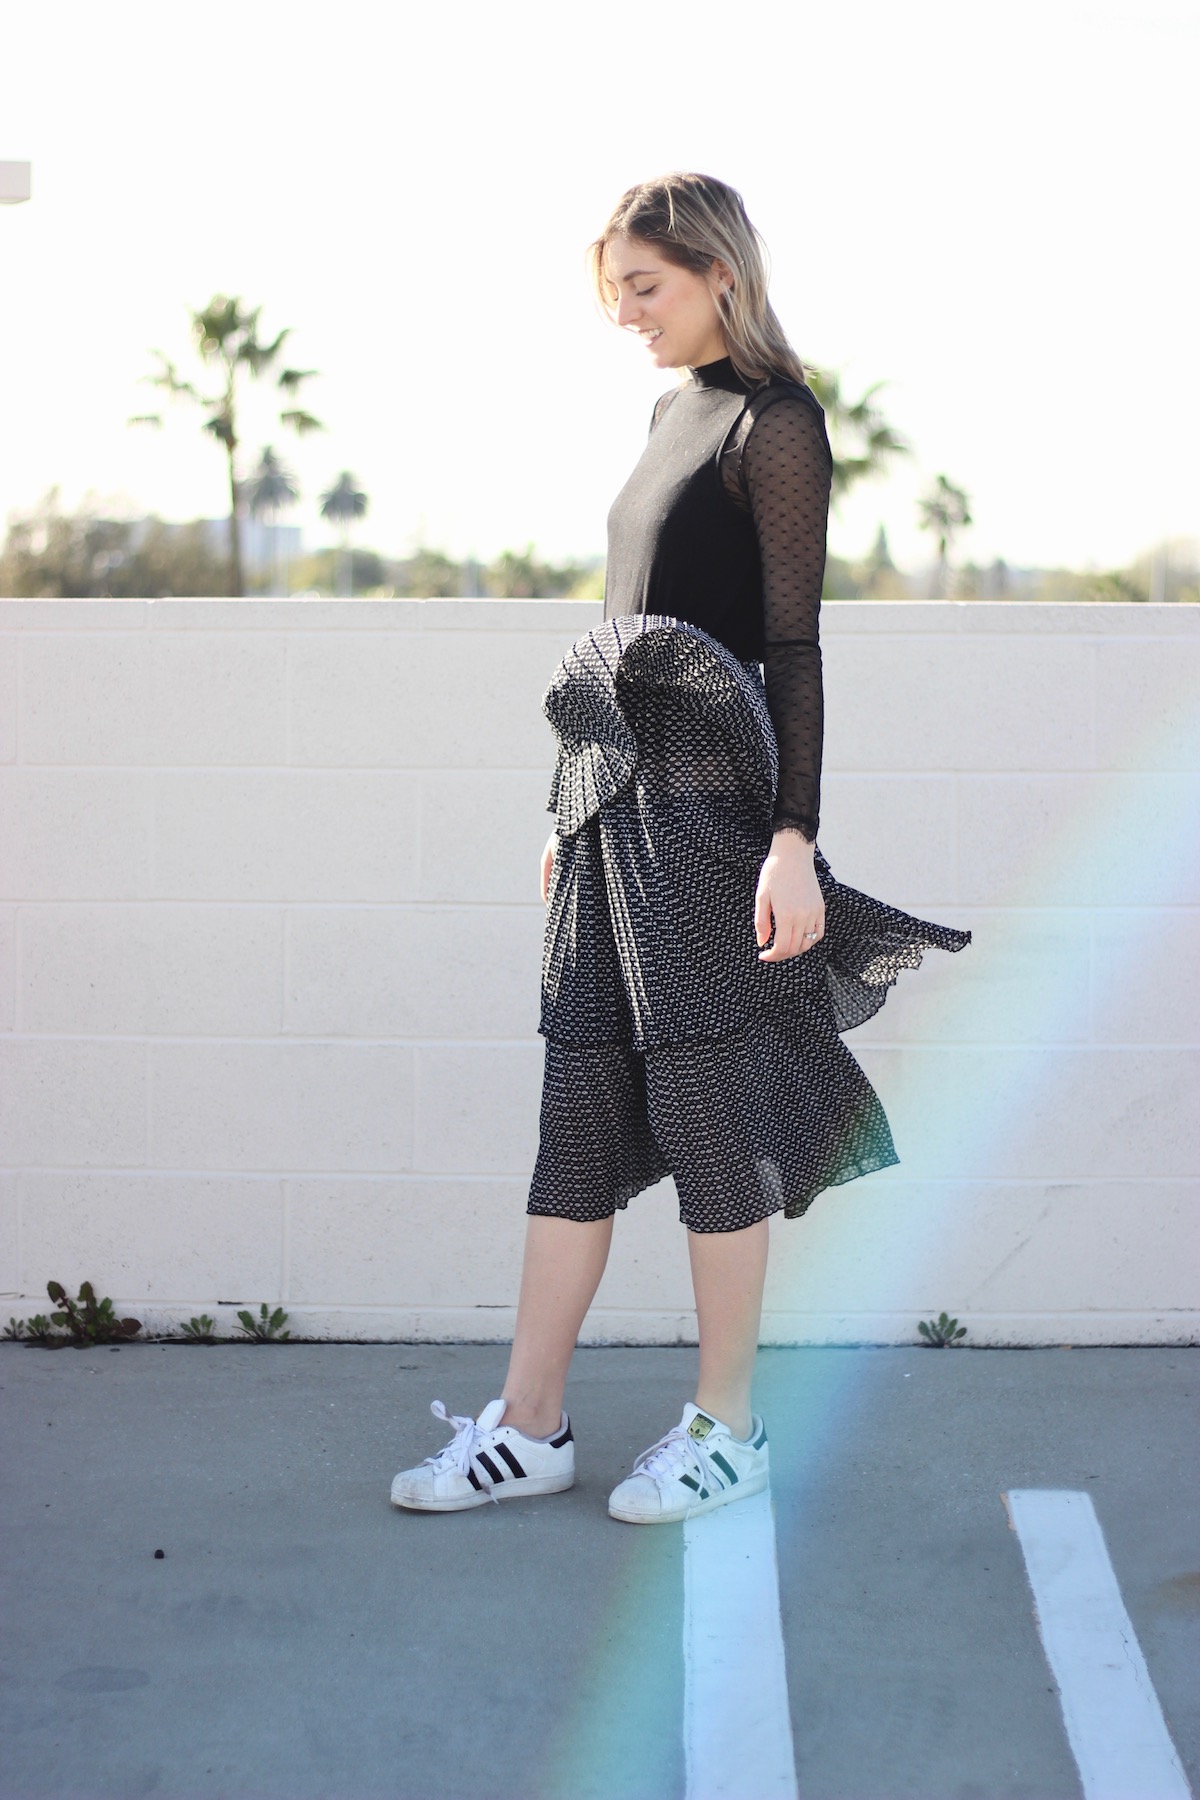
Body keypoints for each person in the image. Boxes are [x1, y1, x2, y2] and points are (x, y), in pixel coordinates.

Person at [390, 172, 970, 1523]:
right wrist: (571, 806)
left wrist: (793, 839)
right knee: (578, 1115)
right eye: (615, 296)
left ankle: (728, 1429)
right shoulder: (668, 415)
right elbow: (623, 633)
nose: (627, 316)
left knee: (712, 1120)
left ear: (719, 271)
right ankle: (529, 1425)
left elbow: (792, 647)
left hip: (714, 824)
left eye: (643, 288)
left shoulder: (777, 422)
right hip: (610, 817)